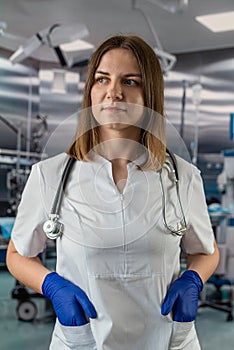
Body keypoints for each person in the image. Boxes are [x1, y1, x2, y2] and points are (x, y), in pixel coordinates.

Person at [6, 34, 219, 350]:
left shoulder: (183, 177)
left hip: (167, 339)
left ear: (150, 95)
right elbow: (18, 255)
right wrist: (51, 285)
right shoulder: (50, 175)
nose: (113, 92)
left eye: (130, 81)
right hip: (83, 340)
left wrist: (193, 280)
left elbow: (206, 251)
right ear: (90, 90)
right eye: (102, 79)